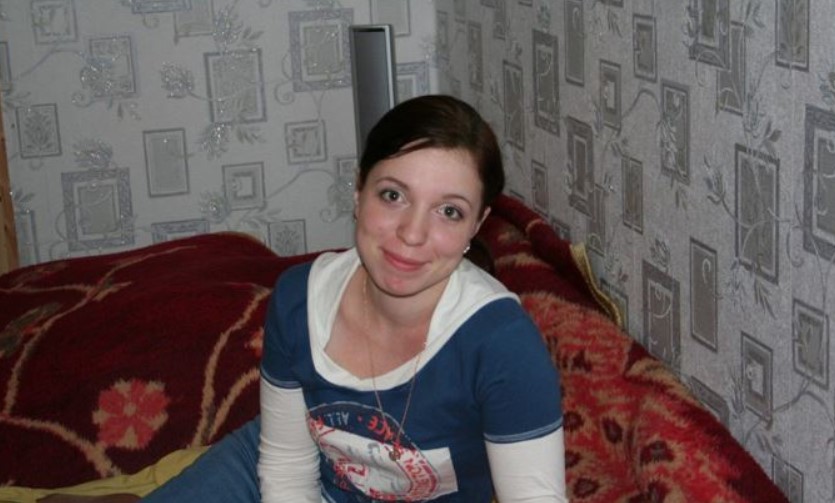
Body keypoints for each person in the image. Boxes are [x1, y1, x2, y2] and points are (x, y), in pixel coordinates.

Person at [140, 94, 567, 502]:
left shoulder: (501, 343)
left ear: (477, 223)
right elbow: (287, 465)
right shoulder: (299, 299)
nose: (412, 233)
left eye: (449, 211)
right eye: (393, 195)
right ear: (359, 191)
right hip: (276, 475)